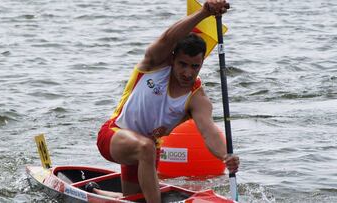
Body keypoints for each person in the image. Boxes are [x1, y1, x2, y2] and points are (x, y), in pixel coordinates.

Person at [96, 0, 239, 202]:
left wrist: (226, 156)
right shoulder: (154, 63)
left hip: (146, 150)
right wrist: (204, 13)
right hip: (113, 136)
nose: (187, 73)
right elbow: (168, 37)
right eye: (182, 64)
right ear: (172, 58)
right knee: (146, 147)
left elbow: (209, 132)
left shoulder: (197, 98)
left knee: (133, 198)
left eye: (195, 66)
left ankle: (96, 192)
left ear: (201, 64)